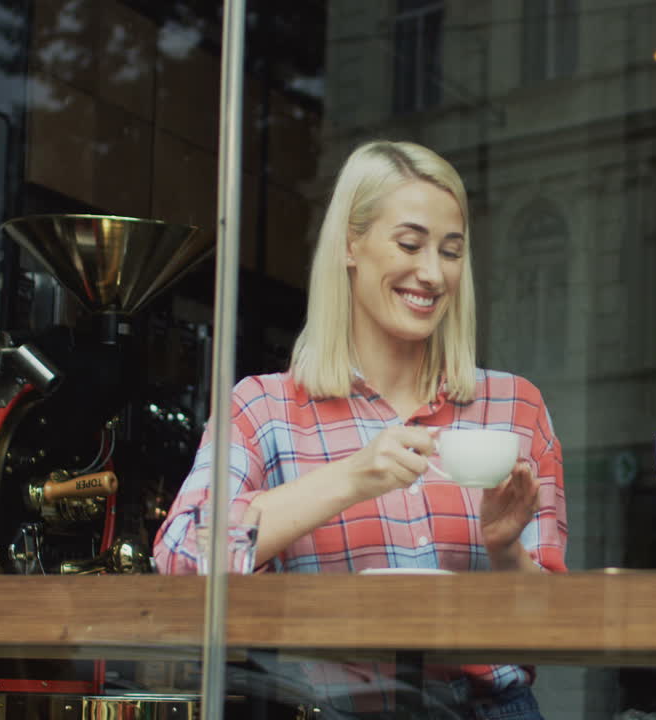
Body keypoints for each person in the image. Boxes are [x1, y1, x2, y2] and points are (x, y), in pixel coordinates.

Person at [154, 140, 567, 719]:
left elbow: (552, 622)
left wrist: (503, 551)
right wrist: (350, 478)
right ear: (351, 243)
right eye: (409, 244)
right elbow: (180, 563)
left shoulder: (514, 408)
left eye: (451, 252)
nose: (432, 273)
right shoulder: (266, 409)